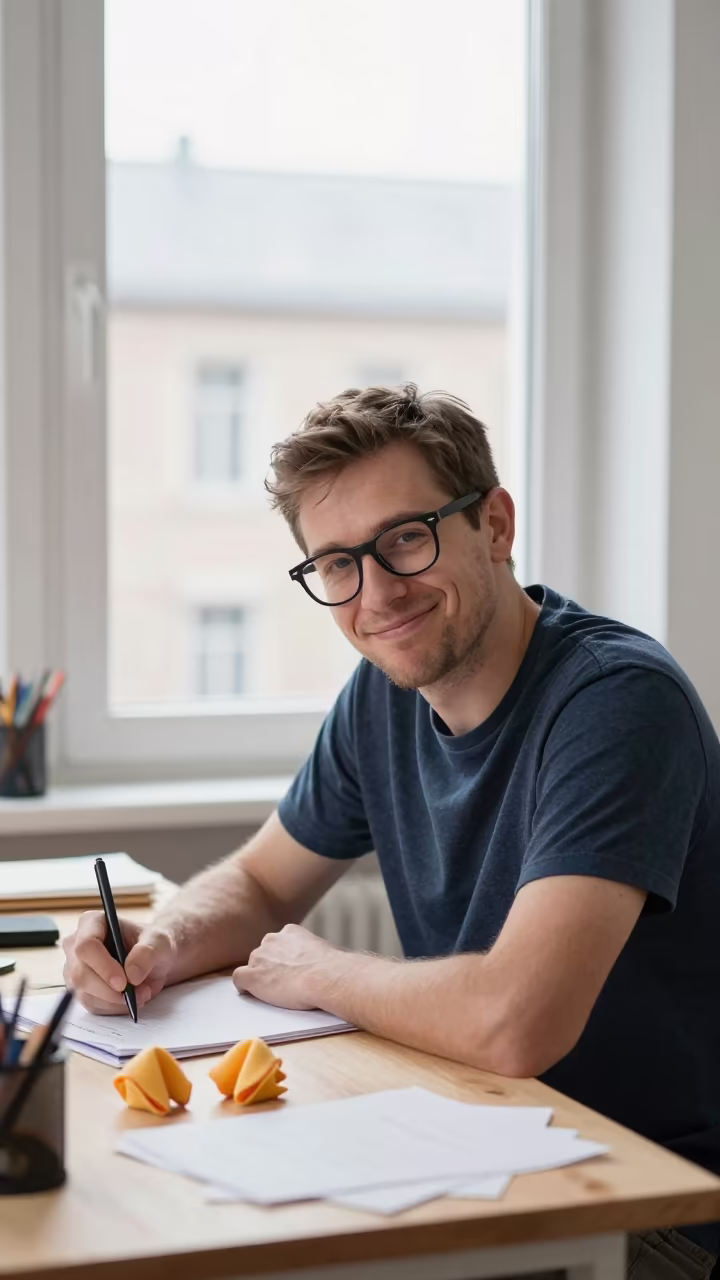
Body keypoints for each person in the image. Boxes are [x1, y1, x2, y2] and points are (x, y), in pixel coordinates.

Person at [64, 384, 720, 1279]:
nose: (376, 593)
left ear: (494, 524)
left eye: (405, 538)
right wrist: (162, 945)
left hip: (650, 1209)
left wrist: (323, 973)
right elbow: (261, 885)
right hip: (476, 1149)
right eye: (336, 564)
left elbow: (514, 1022)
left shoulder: (618, 702)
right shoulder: (383, 694)